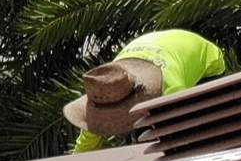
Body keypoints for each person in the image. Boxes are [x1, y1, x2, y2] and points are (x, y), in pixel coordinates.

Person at [64, 29, 228, 149]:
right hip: (154, 47)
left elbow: (184, 135)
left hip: (207, 64)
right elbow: (87, 144)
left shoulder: (172, 88)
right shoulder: (107, 87)